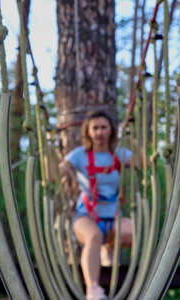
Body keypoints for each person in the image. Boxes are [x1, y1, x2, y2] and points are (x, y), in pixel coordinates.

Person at [60, 110, 133, 300]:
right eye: (95, 128)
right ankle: (92, 288)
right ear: (89, 132)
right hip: (86, 216)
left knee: (136, 233)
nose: (99, 132)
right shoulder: (79, 155)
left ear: (110, 131)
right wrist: (53, 157)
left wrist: (132, 140)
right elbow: (57, 172)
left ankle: (137, 277)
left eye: (103, 127)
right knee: (94, 236)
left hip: (113, 217)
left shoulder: (119, 154)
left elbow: (143, 164)